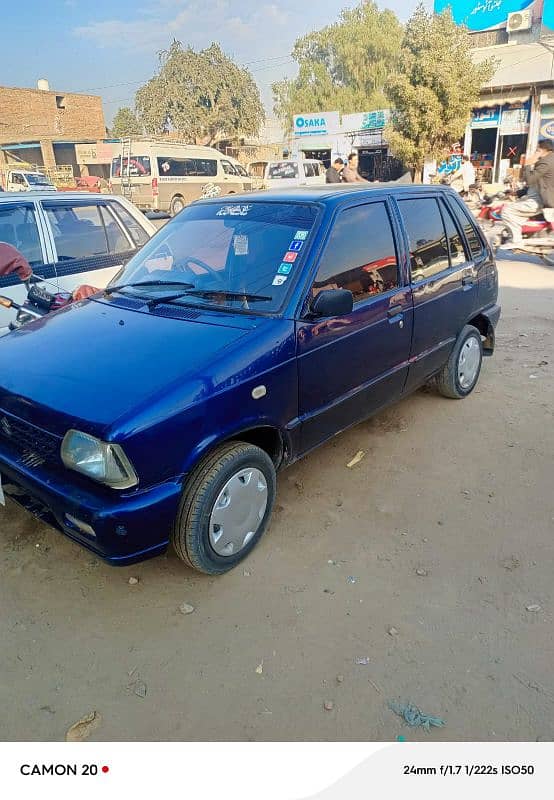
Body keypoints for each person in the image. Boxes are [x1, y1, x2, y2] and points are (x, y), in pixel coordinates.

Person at [502, 139, 554, 245]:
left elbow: (530, 180)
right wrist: (517, 193)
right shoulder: (549, 160)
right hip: (538, 197)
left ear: (546, 150)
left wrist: (527, 164)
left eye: (538, 150)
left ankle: (516, 240)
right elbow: (537, 184)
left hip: (540, 201)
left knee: (507, 211)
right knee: (515, 207)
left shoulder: (545, 162)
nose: (535, 153)